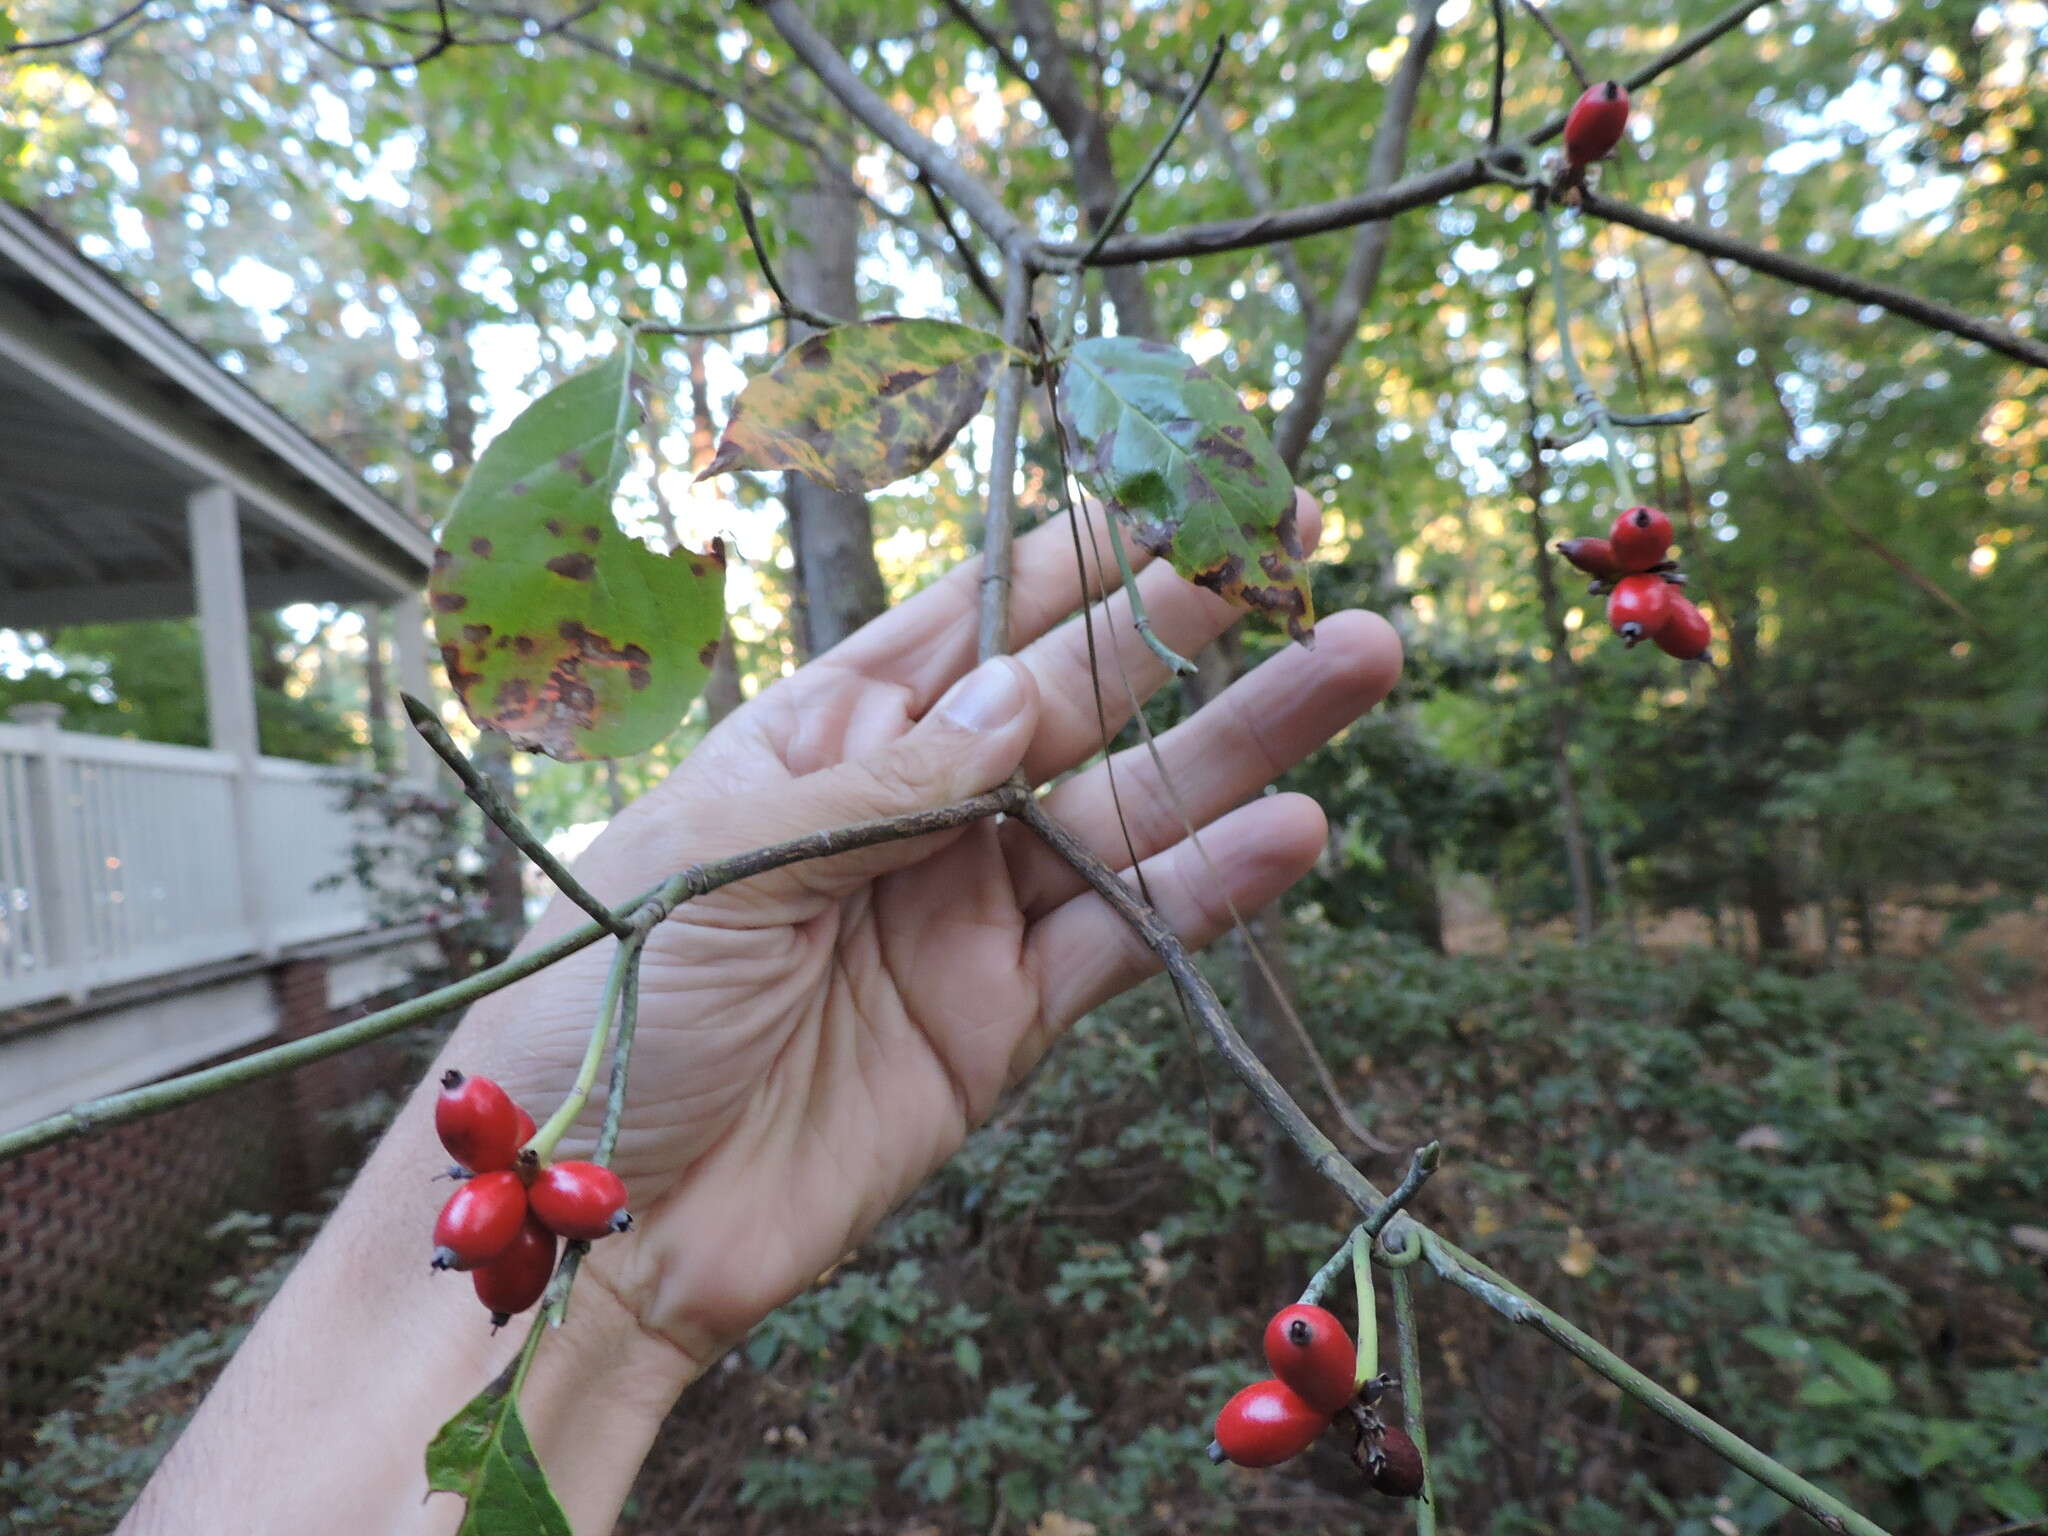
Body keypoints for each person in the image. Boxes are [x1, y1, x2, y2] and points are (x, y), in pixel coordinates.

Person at [120, 490, 1402, 1533]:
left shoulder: (536, 1187)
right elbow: (514, 1208)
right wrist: (606, 1294)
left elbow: (501, 1202)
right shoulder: (550, 1184)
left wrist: (599, 1295)